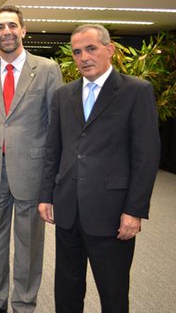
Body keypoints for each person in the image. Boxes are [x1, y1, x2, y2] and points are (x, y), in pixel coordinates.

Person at [38, 24, 161, 313]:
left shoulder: (136, 91)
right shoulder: (63, 95)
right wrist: (46, 195)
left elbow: (146, 156)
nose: (83, 57)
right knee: (67, 290)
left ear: (110, 50)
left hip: (112, 212)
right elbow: (53, 150)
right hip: (68, 208)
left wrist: (134, 210)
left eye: (91, 49)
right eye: (77, 52)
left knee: (113, 291)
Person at [0, 5, 63, 313]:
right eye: (0, 27)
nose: (6, 32)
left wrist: (52, 182)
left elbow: (56, 126)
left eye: (12, 25)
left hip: (31, 172)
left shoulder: (48, 69)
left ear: (24, 30)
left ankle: (24, 304)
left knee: (28, 245)